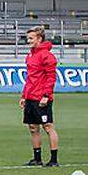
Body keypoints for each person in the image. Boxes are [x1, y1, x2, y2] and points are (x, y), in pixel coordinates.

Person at [21, 25, 60, 167]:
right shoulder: (31, 55)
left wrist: (46, 95)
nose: (28, 41)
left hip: (41, 97)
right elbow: (30, 78)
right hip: (31, 97)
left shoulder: (47, 56)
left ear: (39, 38)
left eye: (31, 38)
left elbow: (51, 77)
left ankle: (54, 160)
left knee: (48, 127)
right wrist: (24, 96)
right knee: (33, 127)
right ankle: (37, 158)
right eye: (28, 38)